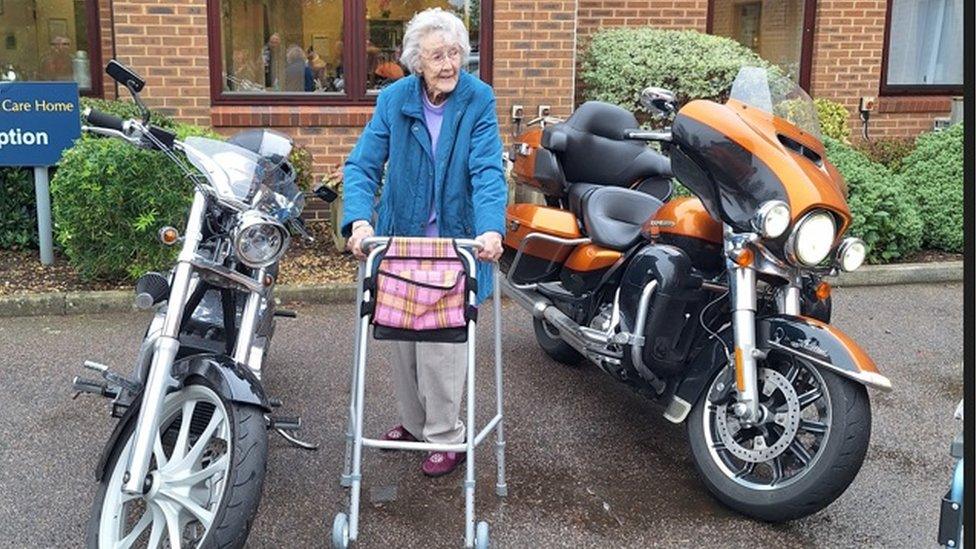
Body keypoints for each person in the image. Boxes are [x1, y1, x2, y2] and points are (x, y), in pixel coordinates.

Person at [342, 7, 507, 477]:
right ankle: (415, 426)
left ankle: (445, 436)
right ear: (417, 61)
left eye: (456, 53)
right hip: (401, 242)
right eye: (438, 55)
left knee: (441, 345)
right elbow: (362, 165)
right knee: (402, 338)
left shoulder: (477, 99)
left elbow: (487, 170)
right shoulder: (394, 100)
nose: (450, 64)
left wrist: (491, 228)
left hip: (455, 247)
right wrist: (358, 222)